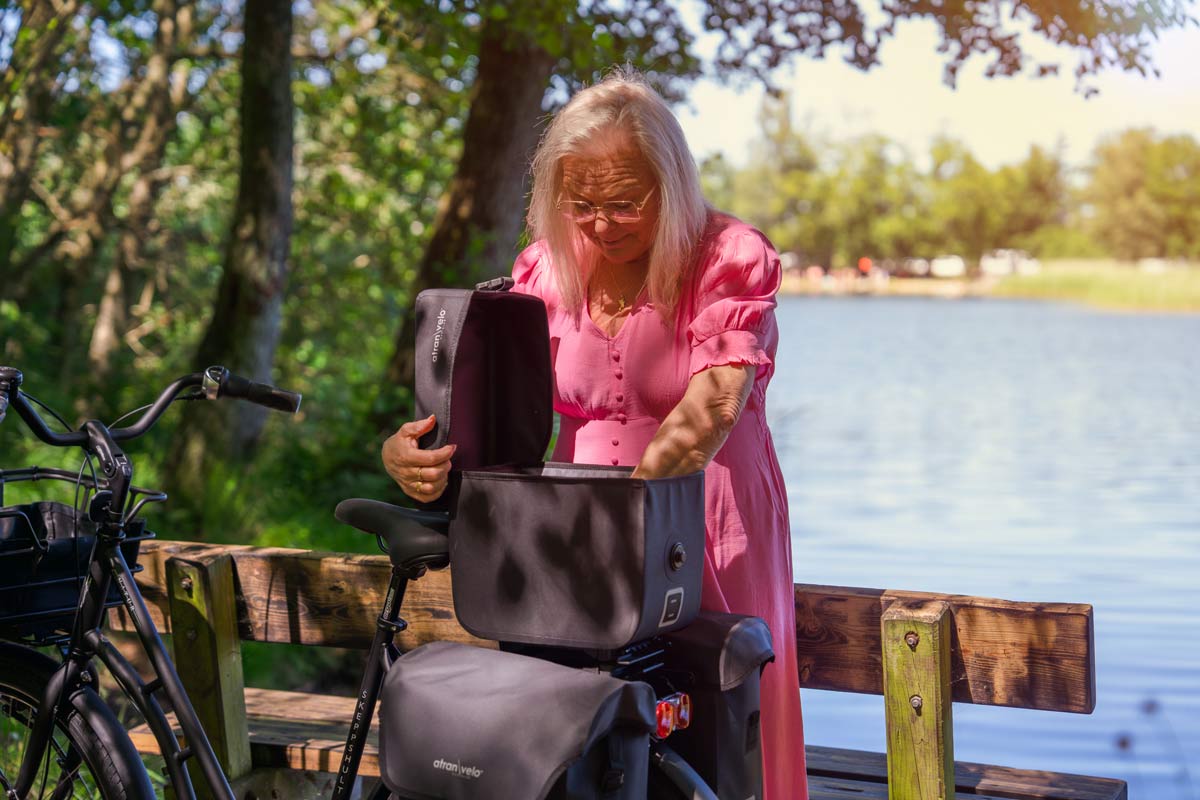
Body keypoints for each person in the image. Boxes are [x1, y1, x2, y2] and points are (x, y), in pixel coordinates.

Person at [382, 68, 807, 800]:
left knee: (712, 738)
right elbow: (491, 411)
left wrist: (621, 536)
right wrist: (415, 454)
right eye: (581, 204)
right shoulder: (546, 269)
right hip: (574, 545)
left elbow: (709, 411)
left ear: (671, 185)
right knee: (576, 750)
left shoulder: (727, 258)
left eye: (623, 202)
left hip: (699, 523)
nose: (602, 224)